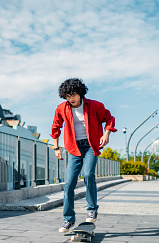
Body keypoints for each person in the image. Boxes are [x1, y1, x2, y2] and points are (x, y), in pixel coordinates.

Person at [50, 78, 117, 233]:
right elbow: (55, 128)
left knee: (88, 174)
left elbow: (109, 119)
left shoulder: (95, 106)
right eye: (67, 96)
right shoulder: (62, 108)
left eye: (73, 94)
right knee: (68, 184)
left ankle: (92, 209)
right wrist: (56, 148)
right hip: (74, 148)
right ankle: (68, 219)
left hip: (90, 146)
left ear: (80, 93)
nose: (71, 98)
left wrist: (106, 135)